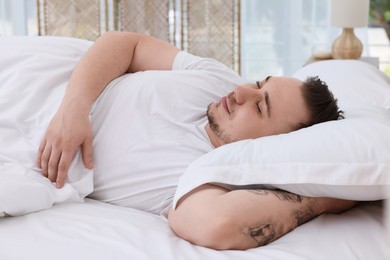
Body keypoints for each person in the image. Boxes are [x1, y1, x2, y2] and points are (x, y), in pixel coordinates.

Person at [36, 31, 356, 250]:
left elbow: (218, 225)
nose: (242, 92)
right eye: (259, 83)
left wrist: (323, 200)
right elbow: (124, 43)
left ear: (273, 145)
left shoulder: (207, 176)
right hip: (43, 75)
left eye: (260, 106)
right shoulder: (217, 79)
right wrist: (75, 106)